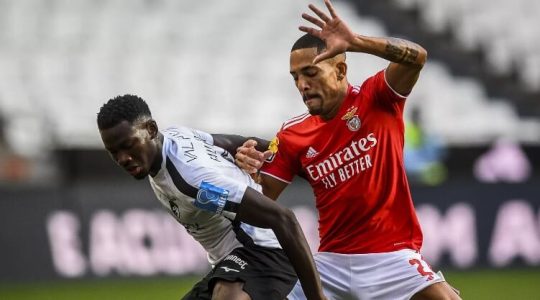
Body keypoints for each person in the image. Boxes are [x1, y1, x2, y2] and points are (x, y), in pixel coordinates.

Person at [235, 0, 461, 299]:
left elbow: (417, 57)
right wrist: (246, 171)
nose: (302, 84)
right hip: (330, 265)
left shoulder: (376, 98)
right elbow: (261, 198)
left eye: (310, 73)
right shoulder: (292, 134)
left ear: (340, 70)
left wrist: (357, 42)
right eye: (296, 78)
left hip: (392, 257)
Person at [96, 95, 326, 300]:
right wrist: (260, 153)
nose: (123, 158)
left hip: (264, 251)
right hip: (231, 262)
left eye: (128, 145)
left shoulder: (192, 183)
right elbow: (236, 144)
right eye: (113, 151)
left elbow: (283, 219)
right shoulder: (176, 136)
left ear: (152, 130)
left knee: (229, 296)